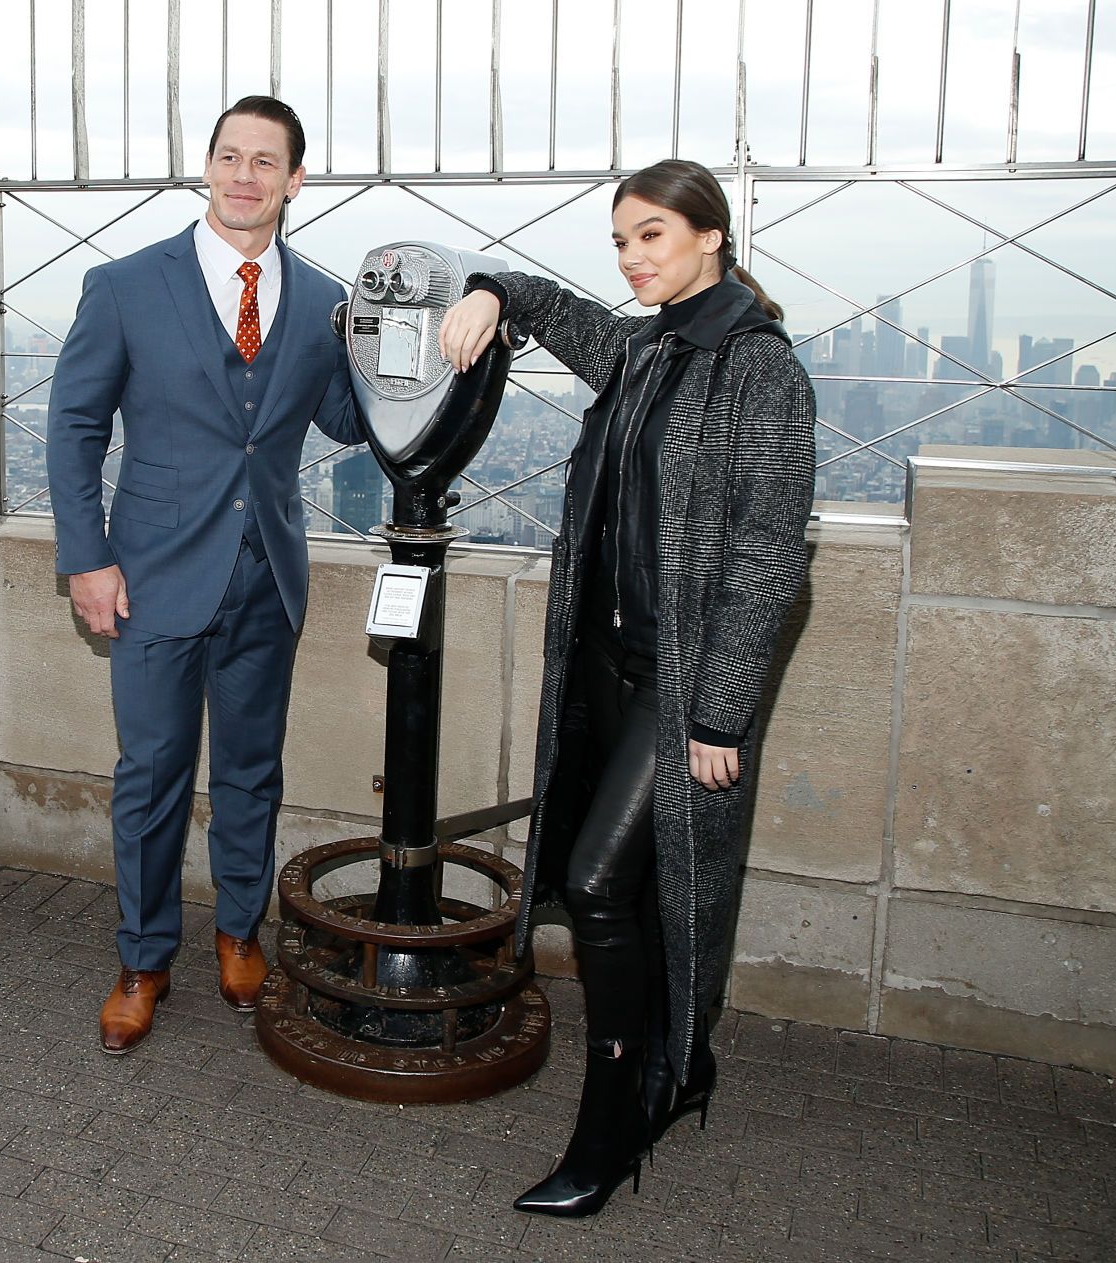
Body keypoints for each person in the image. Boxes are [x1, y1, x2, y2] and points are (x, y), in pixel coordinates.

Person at [438, 158, 814, 1216]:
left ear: (711, 236)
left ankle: (607, 1136)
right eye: (619, 241)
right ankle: (670, 1069)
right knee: (636, 893)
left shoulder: (755, 367)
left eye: (651, 236)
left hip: (683, 678)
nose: (631, 258)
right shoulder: (643, 348)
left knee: (601, 884)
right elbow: (554, 310)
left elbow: (770, 554)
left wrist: (719, 709)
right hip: (606, 666)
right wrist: (490, 289)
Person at [46, 96, 364, 1055]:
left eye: (265, 161)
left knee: (250, 771)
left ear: (294, 180)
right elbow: (74, 428)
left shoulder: (321, 298)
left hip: (268, 575)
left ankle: (237, 932)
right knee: (151, 775)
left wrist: (435, 350)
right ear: (207, 168)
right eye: (229, 156)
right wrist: (85, 560)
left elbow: (350, 422)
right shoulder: (126, 285)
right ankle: (142, 960)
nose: (243, 175)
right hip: (147, 576)